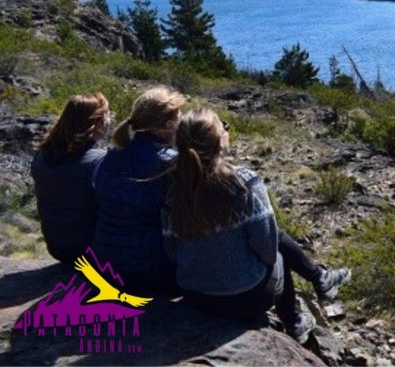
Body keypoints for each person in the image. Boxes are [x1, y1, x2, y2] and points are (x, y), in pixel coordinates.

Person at [162, 108, 351, 342]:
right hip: (245, 298)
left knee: (271, 237)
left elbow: (171, 251)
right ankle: (295, 322)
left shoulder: (173, 188)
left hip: (194, 297)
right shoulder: (243, 182)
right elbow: (268, 250)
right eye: (225, 127)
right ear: (219, 142)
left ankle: (320, 279)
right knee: (280, 256)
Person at [92, 85, 183, 297]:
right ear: (167, 124)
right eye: (178, 117)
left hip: (104, 269)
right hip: (148, 273)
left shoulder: (111, 157)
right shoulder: (171, 164)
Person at [31, 93, 111, 263]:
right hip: (91, 251)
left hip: (57, 247)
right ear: (99, 122)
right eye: (108, 114)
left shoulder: (41, 155)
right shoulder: (99, 161)